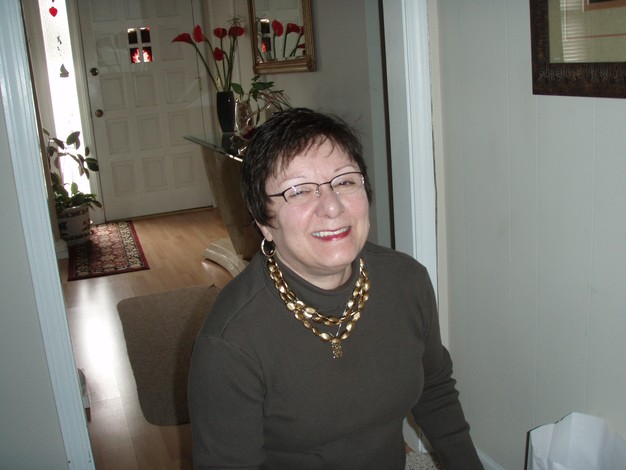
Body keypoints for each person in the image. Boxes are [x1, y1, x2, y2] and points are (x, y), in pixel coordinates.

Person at [188, 108, 483, 469]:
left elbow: (435, 390)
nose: (331, 207)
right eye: (298, 190)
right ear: (264, 221)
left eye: (344, 182)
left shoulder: (407, 282)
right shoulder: (231, 343)